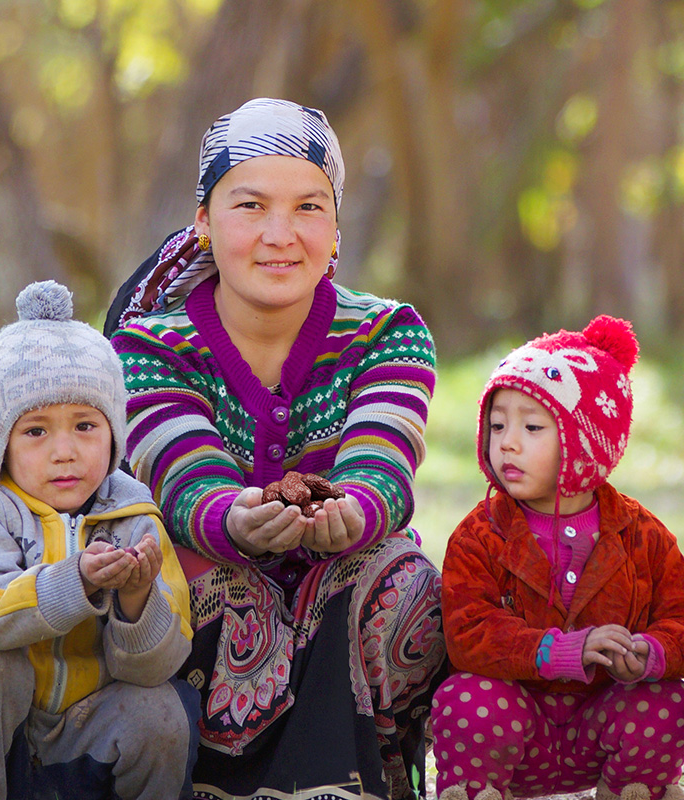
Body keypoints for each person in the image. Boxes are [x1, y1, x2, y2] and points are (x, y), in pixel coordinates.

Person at [105, 97, 447, 800]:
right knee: (192, 583)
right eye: (251, 205)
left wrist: (355, 509)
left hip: (348, 586)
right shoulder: (146, 345)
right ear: (203, 222)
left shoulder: (389, 335)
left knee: (405, 583)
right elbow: (183, 476)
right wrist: (232, 518)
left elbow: (383, 464)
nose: (280, 234)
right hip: (210, 594)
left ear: (337, 229)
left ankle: (365, 778)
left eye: (309, 207)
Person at [0, 281, 199, 800]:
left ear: (114, 434)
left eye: (85, 426)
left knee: (161, 708)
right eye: (36, 431)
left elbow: (157, 666)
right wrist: (74, 581)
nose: (65, 451)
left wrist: (137, 601)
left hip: (73, 739)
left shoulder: (134, 513)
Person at [431, 315, 684, 800]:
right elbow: (467, 633)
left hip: (602, 725)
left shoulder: (642, 535)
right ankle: (477, 790)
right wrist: (556, 650)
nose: (507, 441)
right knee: (464, 699)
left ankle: (631, 789)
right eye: (497, 424)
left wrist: (650, 655)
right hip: (511, 726)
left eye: (531, 426)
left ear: (587, 442)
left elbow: (678, 617)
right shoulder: (480, 534)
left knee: (669, 698)